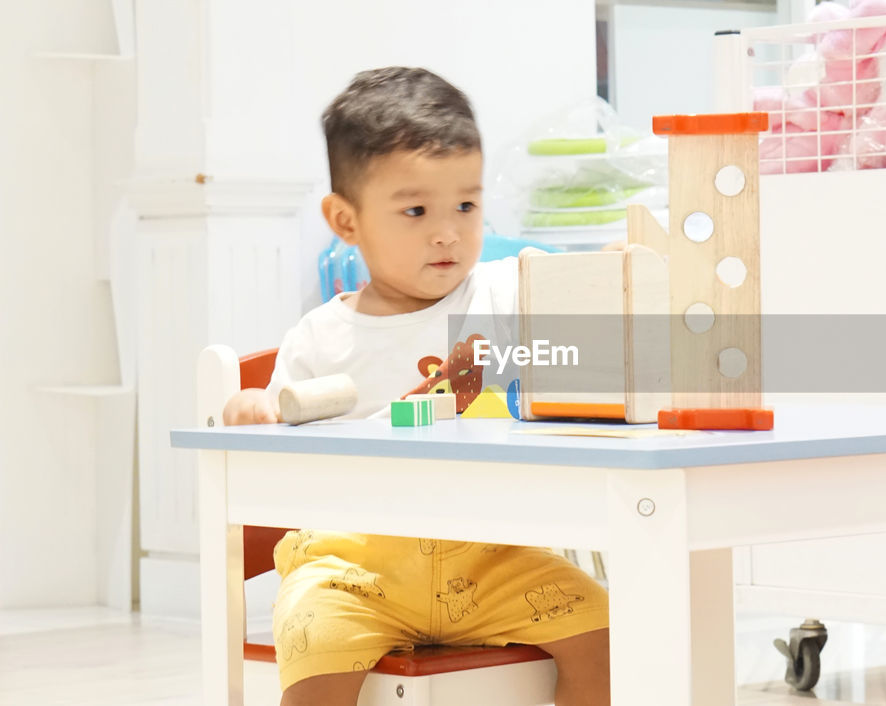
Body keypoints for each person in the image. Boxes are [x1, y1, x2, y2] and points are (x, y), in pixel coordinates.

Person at [222, 66, 610, 706]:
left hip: (492, 558)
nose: (447, 231)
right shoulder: (321, 338)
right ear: (346, 222)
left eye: (466, 204)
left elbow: (584, 289)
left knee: (607, 638)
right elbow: (279, 468)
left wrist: (621, 265)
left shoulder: (503, 292)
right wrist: (257, 413)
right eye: (416, 210)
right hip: (352, 569)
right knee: (312, 647)